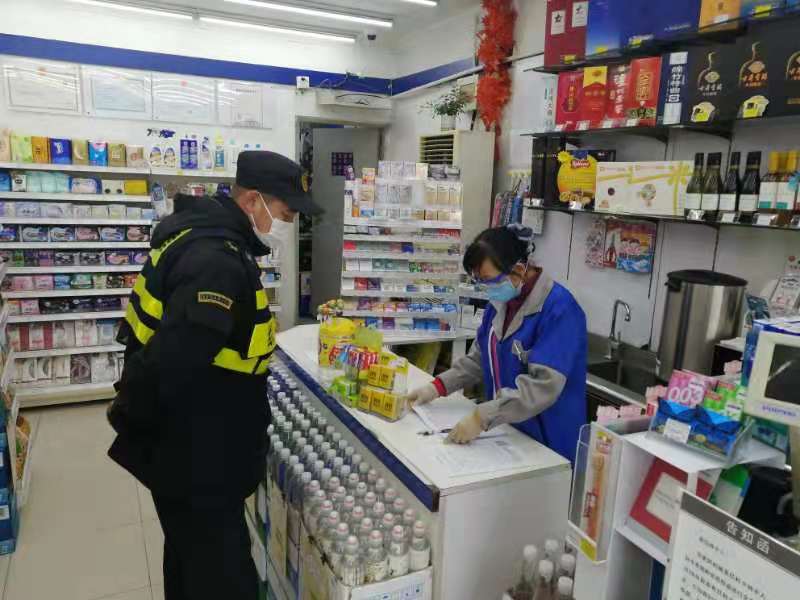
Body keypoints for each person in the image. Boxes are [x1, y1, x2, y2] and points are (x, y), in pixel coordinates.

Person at [107, 151, 320, 600]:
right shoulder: (216, 262)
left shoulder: (209, 240)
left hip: (189, 449)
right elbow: (173, 363)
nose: (288, 223)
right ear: (253, 201)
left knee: (188, 560)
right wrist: (139, 424)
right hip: (197, 459)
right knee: (222, 576)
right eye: (286, 213)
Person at [409, 225, 587, 462]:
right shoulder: (500, 304)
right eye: (479, 282)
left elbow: (543, 386)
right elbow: (479, 358)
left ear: (519, 270)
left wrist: (481, 417)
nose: (487, 289)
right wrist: (437, 387)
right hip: (508, 430)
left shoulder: (560, 311)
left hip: (549, 441)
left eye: (489, 281)